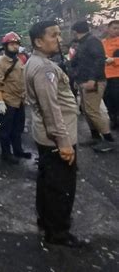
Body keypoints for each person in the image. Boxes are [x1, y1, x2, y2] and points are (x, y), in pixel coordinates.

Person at [25, 21, 83, 248]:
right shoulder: (44, 68)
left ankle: (46, 221)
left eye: (59, 34)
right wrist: (64, 142)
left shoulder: (35, 62)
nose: (59, 39)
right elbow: (51, 109)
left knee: (47, 181)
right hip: (57, 137)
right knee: (61, 187)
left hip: (45, 135)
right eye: (53, 35)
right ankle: (58, 232)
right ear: (39, 41)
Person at [71, 20, 114, 150]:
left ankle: (108, 139)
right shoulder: (82, 43)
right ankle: (95, 137)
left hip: (94, 81)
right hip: (84, 81)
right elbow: (77, 62)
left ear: (75, 31)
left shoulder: (92, 41)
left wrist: (92, 79)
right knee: (86, 110)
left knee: (92, 111)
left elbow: (99, 60)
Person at [0, 32, 32, 164]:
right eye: (12, 44)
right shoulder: (0, 63)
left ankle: (18, 150)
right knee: (6, 131)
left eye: (16, 44)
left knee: (18, 128)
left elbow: (21, 80)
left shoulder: (18, 60)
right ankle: (6, 154)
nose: (15, 46)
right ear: (5, 46)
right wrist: (1, 102)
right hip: (8, 101)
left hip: (19, 100)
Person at [102, 20, 119, 129]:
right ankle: (113, 118)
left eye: (118, 28)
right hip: (104, 75)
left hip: (117, 75)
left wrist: (114, 60)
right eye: (114, 28)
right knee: (107, 98)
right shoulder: (102, 42)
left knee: (116, 98)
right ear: (108, 29)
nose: (117, 30)